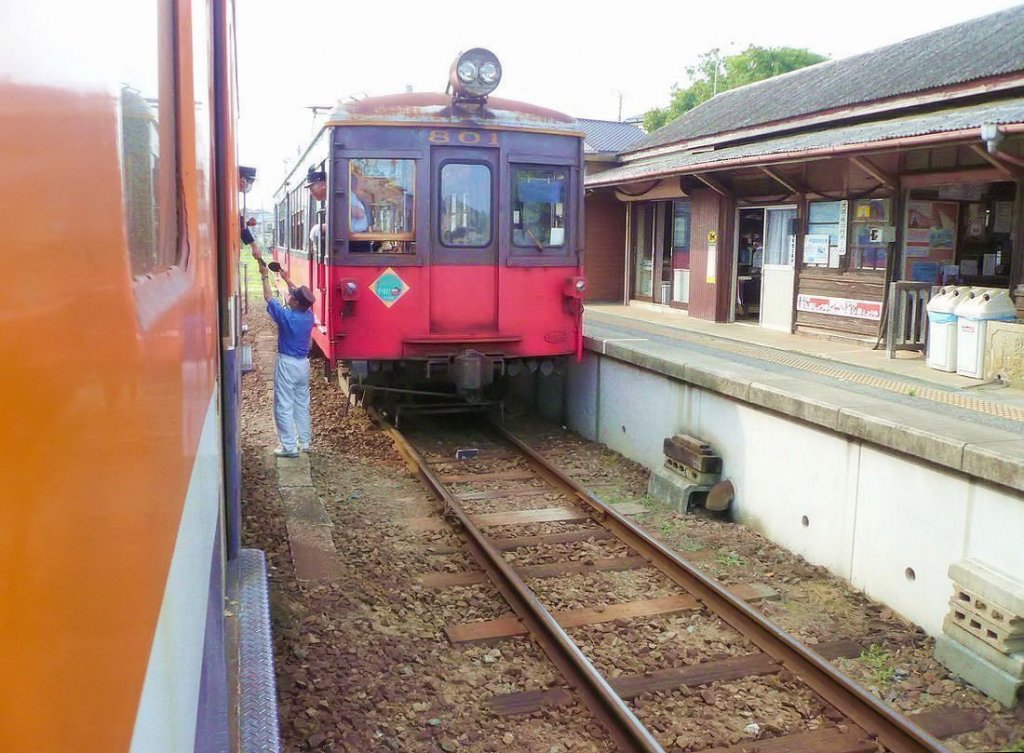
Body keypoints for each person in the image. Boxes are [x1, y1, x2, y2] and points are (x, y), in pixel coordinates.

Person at [252, 246, 316, 458]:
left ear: (295, 302)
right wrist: (287, 278)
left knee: (283, 405)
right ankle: (305, 441)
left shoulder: (286, 317)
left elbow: (268, 297)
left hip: (287, 364)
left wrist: (264, 277)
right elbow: (299, 296)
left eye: (292, 295)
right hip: (303, 365)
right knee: (301, 403)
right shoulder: (308, 316)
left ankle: (288, 447)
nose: (289, 294)